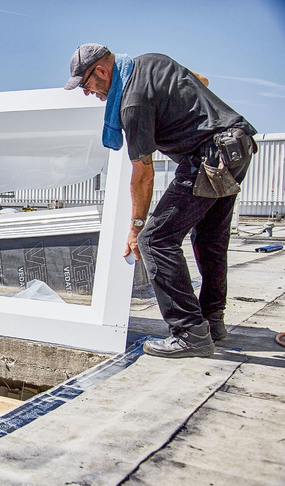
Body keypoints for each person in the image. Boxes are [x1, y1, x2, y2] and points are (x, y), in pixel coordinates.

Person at [64, 44, 257, 358]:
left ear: (101, 71)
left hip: (209, 156)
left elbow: (143, 174)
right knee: (210, 241)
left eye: (86, 85)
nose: (88, 93)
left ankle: (189, 332)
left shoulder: (132, 103)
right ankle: (211, 322)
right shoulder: (152, 61)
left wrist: (136, 228)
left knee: (155, 240)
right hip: (236, 147)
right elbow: (201, 80)